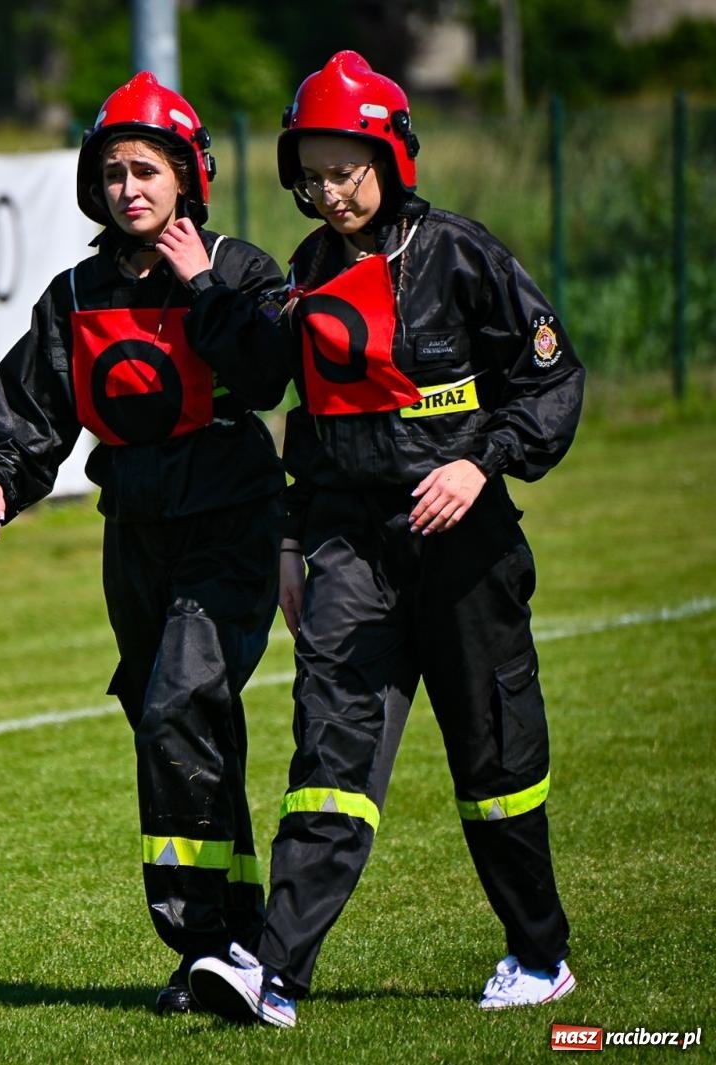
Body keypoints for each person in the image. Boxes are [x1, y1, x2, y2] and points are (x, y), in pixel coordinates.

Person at [185, 51, 585, 1028]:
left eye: (345, 169)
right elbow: (288, 402)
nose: (327, 192)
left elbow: (550, 381)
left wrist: (478, 462)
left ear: (391, 157)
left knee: (493, 763)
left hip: (465, 547)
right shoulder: (309, 273)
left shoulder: (461, 255)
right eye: (310, 173)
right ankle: (275, 975)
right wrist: (289, 540)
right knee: (328, 745)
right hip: (350, 547)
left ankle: (540, 957)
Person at [0, 71, 291, 1014]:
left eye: (147, 170)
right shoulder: (75, 293)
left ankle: (205, 941)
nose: (129, 189)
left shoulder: (242, 270)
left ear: (189, 177)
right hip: (135, 528)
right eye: (113, 173)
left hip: (231, 520)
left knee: (178, 706)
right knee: (180, 730)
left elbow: (269, 377)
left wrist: (203, 288)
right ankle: (225, 943)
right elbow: (34, 405)